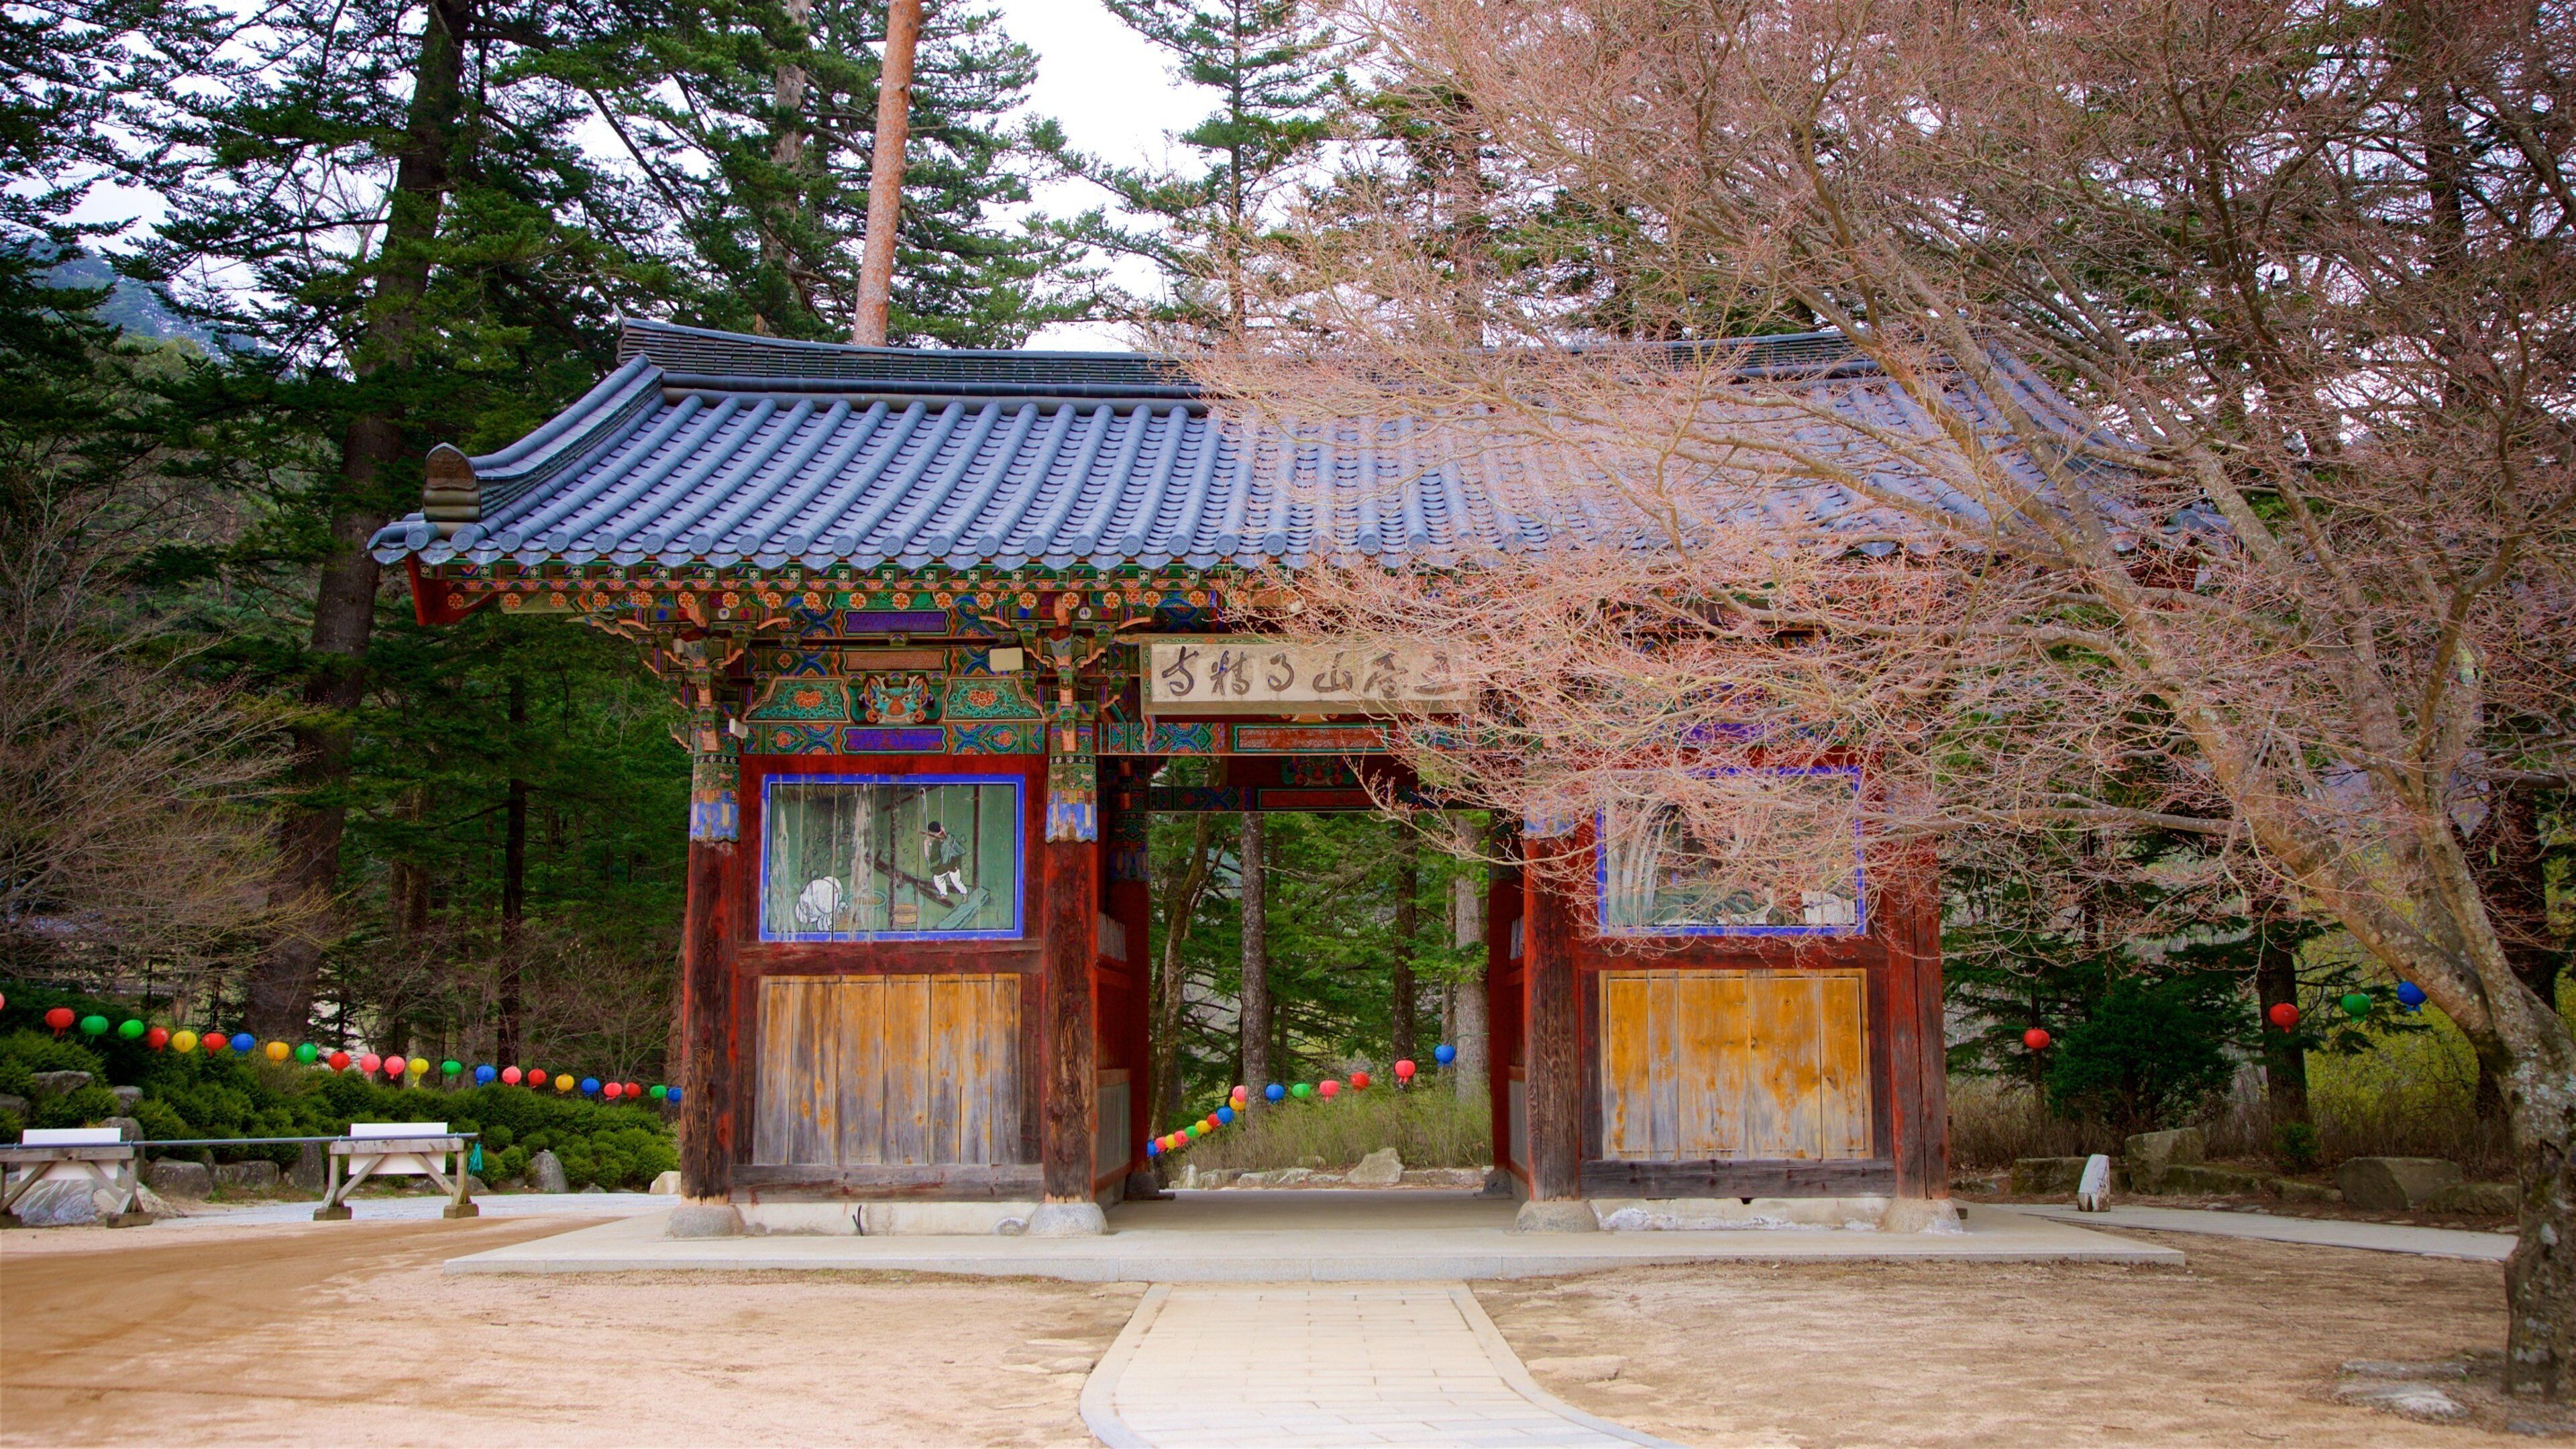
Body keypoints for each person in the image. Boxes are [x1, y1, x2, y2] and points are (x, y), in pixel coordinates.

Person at [923, 820, 970, 899]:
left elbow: (930, 859)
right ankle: (965, 893)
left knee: (937, 877)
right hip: (954, 862)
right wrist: (943, 832)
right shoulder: (946, 836)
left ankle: (944, 894)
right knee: (956, 881)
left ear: (933, 833)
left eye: (930, 832)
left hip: (947, 864)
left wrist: (926, 845)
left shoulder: (936, 843)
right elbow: (943, 844)